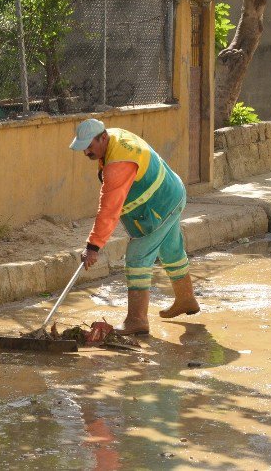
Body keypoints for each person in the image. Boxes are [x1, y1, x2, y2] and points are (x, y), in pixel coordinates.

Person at [70, 118, 199, 335]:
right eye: (83, 148)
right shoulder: (114, 136)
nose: (86, 153)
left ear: (103, 138)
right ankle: (186, 299)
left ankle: (137, 320)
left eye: (89, 147)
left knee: (137, 257)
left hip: (160, 207)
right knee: (171, 251)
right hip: (172, 194)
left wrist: (93, 246)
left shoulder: (118, 163)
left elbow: (109, 209)